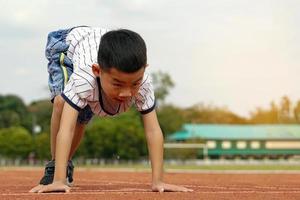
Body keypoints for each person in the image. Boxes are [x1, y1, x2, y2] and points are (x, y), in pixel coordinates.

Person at [29, 26, 192, 193]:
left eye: (134, 83)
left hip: (99, 46)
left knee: (83, 116)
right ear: (97, 71)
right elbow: (67, 129)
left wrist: (158, 181)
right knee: (61, 103)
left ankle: (66, 164)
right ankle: (55, 167)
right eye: (117, 84)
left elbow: (153, 131)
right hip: (67, 45)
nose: (126, 92)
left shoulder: (144, 84)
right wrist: (58, 180)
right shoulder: (84, 80)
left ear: (144, 70)